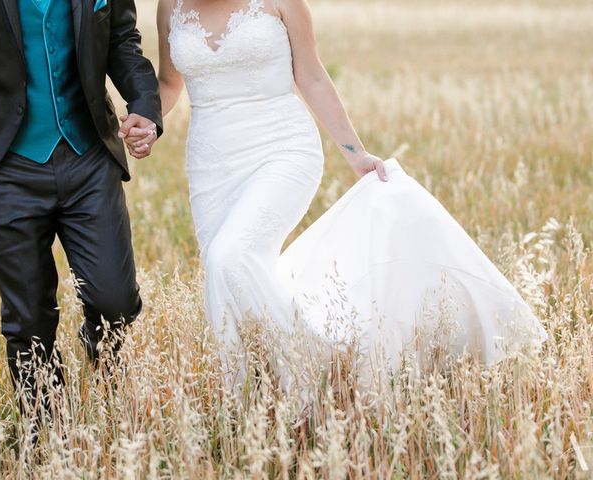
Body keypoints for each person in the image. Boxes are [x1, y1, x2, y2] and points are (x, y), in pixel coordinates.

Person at [130, 0, 547, 394]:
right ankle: (254, 394)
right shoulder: (172, 5)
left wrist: (356, 154)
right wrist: (147, 120)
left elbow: (310, 75)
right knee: (229, 270)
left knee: (229, 254)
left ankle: (307, 385)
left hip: (282, 150)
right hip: (211, 168)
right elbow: (170, 82)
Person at [0, 0, 162, 416]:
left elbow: (122, 41)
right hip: (3, 166)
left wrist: (144, 107)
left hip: (89, 157)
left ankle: (100, 354)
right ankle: (49, 432)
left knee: (115, 300)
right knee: (28, 320)